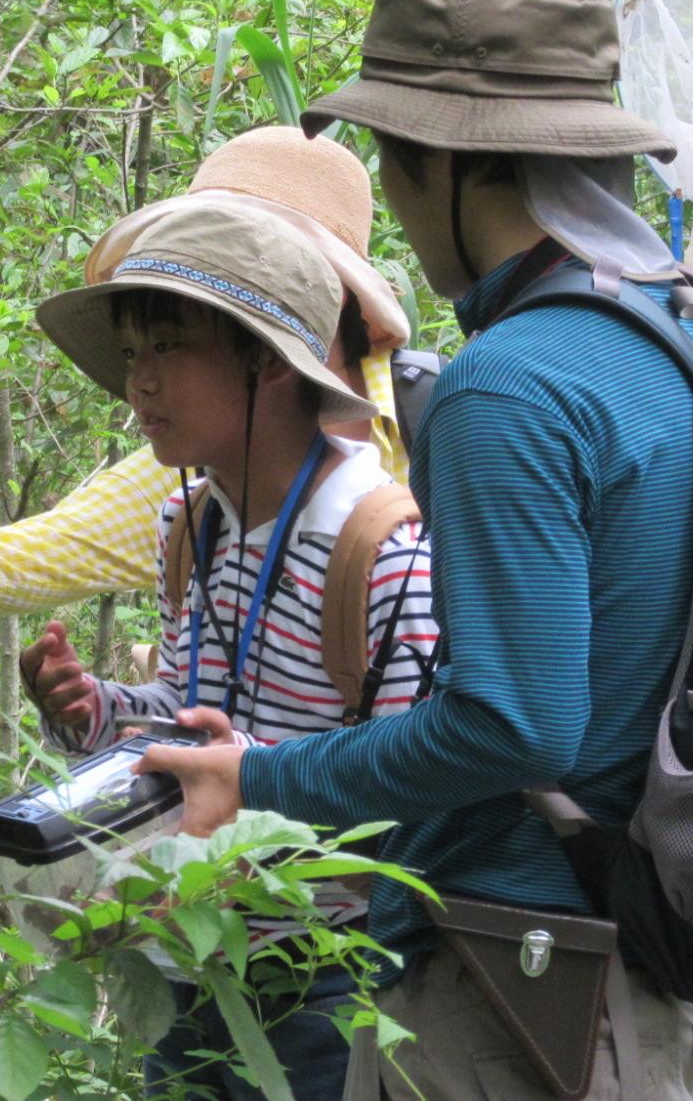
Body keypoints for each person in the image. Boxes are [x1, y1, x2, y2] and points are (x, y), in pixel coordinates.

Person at [142, 0, 693, 1099]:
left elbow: (513, 726)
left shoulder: (508, 386)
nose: (398, 209)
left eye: (399, 167)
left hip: (510, 969)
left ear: (450, 162)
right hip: (644, 941)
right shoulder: (681, 329)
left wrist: (257, 775)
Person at [28, 196, 438, 1098]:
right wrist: (97, 712)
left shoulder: (381, 547)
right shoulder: (192, 523)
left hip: (328, 984)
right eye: (132, 354)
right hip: (188, 964)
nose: (140, 383)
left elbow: (421, 783)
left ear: (268, 361)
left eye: (170, 348)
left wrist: (258, 787)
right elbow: (187, 712)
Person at [0, 127, 421, 630]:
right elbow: (29, 557)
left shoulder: (448, 432)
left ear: (331, 295)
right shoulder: (199, 472)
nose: (142, 379)